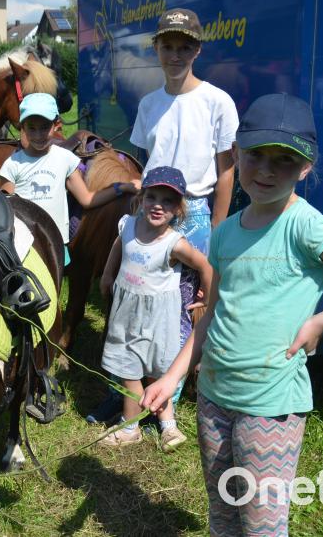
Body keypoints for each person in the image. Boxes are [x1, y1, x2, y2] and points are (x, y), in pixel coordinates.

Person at [141, 93, 323, 535]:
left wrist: (321, 322)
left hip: (270, 410)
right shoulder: (225, 233)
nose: (267, 170)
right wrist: (172, 376)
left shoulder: (306, 226)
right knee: (223, 518)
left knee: (261, 526)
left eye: (285, 160)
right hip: (214, 401)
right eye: (256, 155)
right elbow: (211, 317)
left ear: (306, 167)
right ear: (236, 153)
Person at [90, 7, 239, 422]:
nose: (175, 55)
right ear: (156, 49)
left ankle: (168, 398)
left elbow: (227, 170)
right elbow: (143, 163)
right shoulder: (150, 103)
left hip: (193, 214)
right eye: (167, 46)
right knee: (134, 301)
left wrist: (217, 226)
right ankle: (128, 388)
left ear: (197, 51)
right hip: (151, 210)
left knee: (187, 307)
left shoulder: (216, 102)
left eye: (184, 47)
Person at [96, 166, 211, 452]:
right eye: (152, 197)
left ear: (179, 209)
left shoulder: (174, 243)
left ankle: (167, 426)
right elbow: (117, 246)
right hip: (127, 313)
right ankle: (131, 427)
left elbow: (205, 265)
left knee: (158, 373)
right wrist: (108, 275)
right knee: (129, 369)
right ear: (141, 198)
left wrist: (207, 293)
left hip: (159, 318)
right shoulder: (129, 225)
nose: (158, 205)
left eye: (168, 201)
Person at [0, 92, 136, 264]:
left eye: (44, 127)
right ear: (22, 128)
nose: (38, 135)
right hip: (24, 244)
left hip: (54, 243)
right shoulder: (12, 165)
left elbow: (87, 199)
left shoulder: (65, 159)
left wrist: (121, 187)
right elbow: (5, 208)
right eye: (32, 128)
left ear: (56, 125)